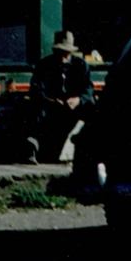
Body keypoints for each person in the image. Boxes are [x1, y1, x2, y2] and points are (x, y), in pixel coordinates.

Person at [30, 29, 94, 162]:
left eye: (66, 53)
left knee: (92, 109)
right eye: (60, 52)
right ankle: (32, 148)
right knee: (36, 111)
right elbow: (36, 90)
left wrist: (78, 99)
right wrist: (52, 100)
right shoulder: (44, 65)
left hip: (74, 106)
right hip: (51, 106)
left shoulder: (81, 65)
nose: (63, 56)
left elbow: (88, 89)